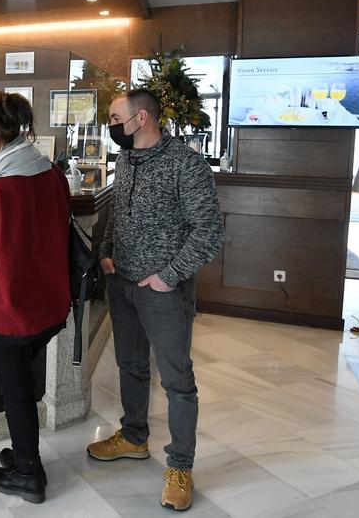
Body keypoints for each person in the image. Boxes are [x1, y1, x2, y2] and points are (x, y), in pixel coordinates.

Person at [85, 89, 223, 512]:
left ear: (140, 118)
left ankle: (180, 466)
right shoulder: (126, 159)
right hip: (121, 283)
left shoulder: (186, 164)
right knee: (130, 365)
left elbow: (209, 231)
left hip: (163, 291)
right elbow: (118, 213)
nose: (110, 126)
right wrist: (107, 250)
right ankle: (134, 437)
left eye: (114, 118)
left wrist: (168, 277)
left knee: (178, 381)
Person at [0, 92, 71, 504]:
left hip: (10, 310)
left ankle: (29, 473)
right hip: (48, 305)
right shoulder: (50, 173)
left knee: (16, 393)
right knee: (23, 384)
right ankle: (25, 453)